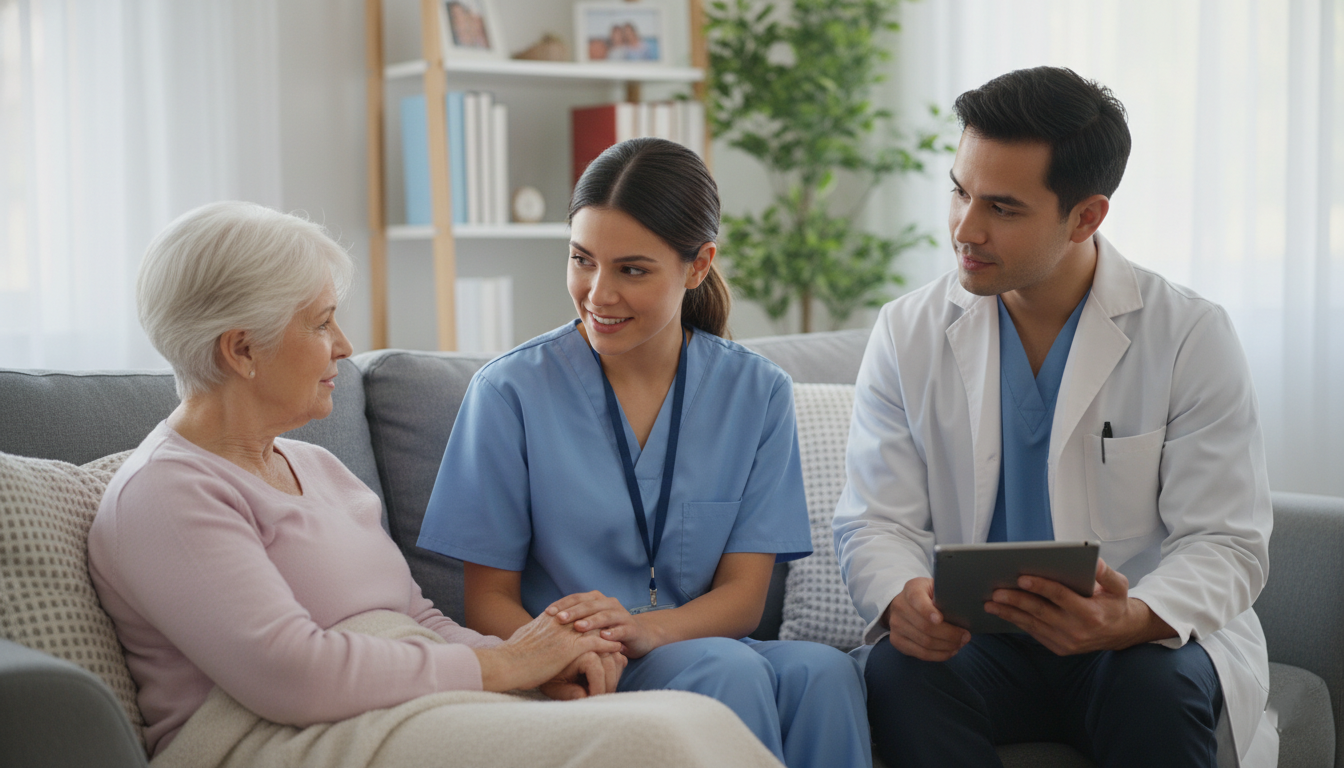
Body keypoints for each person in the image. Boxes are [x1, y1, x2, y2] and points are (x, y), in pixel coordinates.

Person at [88, 201, 780, 768]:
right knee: (646, 741)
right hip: (270, 738)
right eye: (321, 322)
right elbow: (289, 675)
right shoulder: (167, 494)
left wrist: (540, 660)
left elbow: (419, 622)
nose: (344, 347)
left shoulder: (319, 469)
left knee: (687, 720)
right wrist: (504, 669)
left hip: (394, 708)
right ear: (241, 350)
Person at [833, 67, 1276, 768]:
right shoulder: (907, 331)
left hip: (1128, 646)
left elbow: (1227, 542)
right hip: (980, 648)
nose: (964, 228)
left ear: (1086, 217)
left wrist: (1128, 617)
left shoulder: (1190, 333)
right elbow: (874, 518)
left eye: (1003, 209)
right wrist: (900, 597)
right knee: (898, 673)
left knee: (1154, 687)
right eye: (959, 191)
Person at [418, 137, 872, 768]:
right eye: (582, 260)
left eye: (632, 269)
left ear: (698, 265)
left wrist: (652, 629)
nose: (598, 293)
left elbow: (744, 596)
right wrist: (559, 653)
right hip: (587, 660)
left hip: (692, 638)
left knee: (824, 673)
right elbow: (487, 597)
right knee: (729, 669)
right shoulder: (508, 392)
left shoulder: (757, 391)